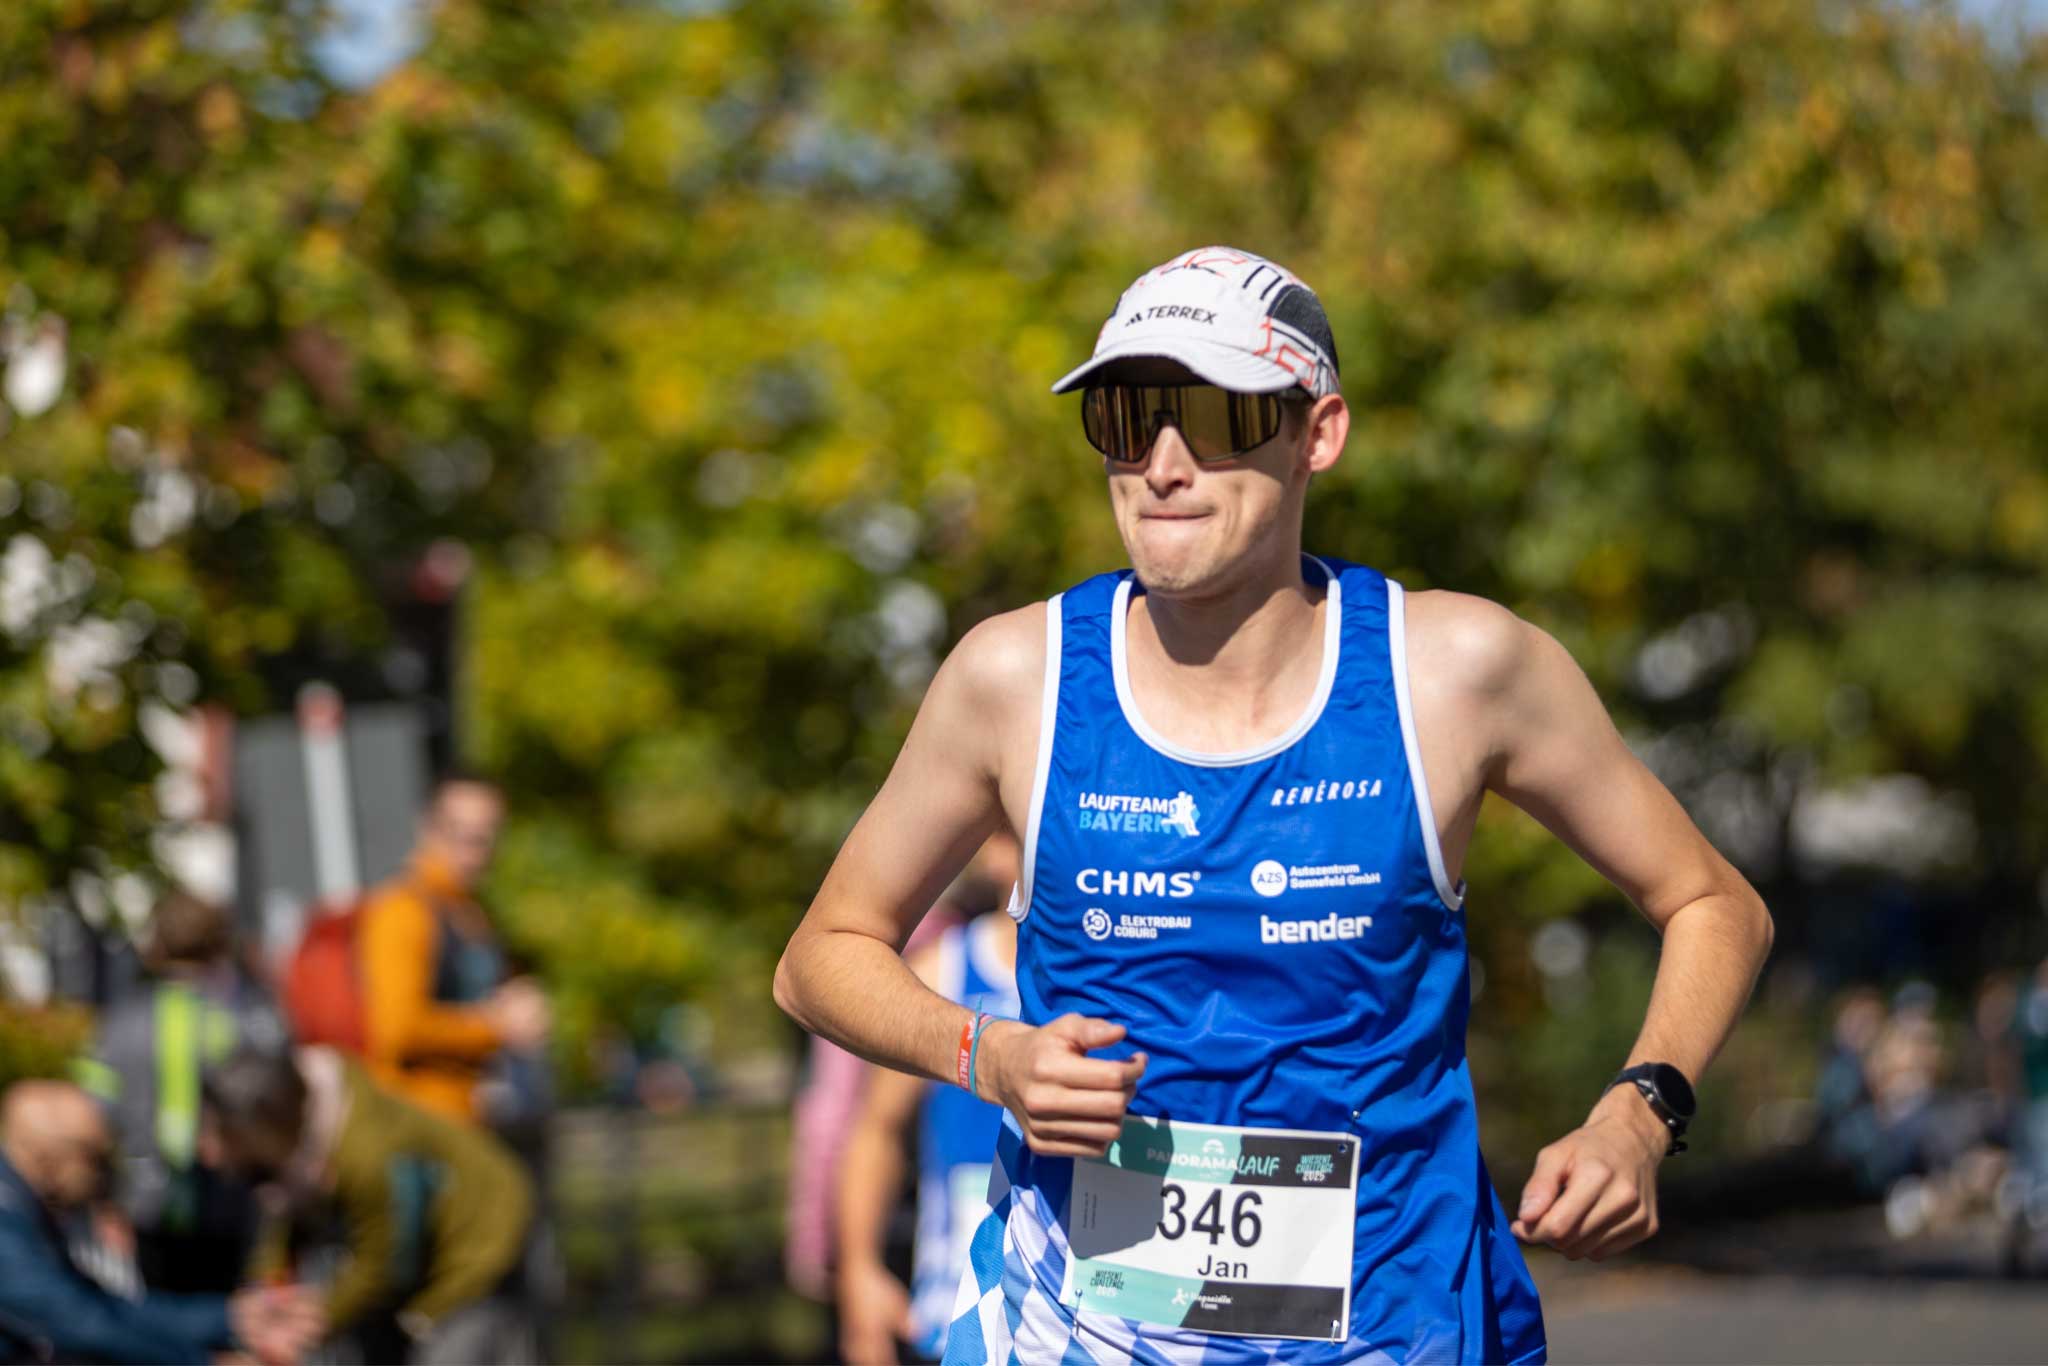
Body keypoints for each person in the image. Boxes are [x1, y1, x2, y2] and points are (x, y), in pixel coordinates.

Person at [775, 247, 1775, 1363]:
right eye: (1125, 415)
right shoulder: (1016, 677)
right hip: (1076, 1332)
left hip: (1393, 1329)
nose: (1160, 463)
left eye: (1211, 415)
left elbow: (1711, 902)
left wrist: (1637, 1113)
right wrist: (985, 1054)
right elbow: (820, 951)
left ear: (1318, 432)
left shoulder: (1452, 668)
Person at [201, 1045, 536, 1365]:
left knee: (450, 1351)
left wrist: (312, 1320)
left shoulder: (365, 1156)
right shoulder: (300, 1121)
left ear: (265, 1128)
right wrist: (268, 1292)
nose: (209, 1152)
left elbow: (384, 1262)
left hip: (480, 1233)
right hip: (415, 1240)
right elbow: (282, 1217)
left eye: (223, 1135)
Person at [837, 844, 1022, 1366]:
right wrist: (859, 1273)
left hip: (1090, 1307)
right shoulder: (943, 970)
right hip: (959, 1303)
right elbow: (877, 1128)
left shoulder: (1116, 981)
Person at [0, 1079, 319, 1365]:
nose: (102, 1178)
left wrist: (229, 1318)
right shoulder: (6, 1222)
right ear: (51, 1159)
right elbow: (81, 1324)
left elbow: (105, 1309)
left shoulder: (22, 1208)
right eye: (95, 1161)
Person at [75, 888, 290, 1294]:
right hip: (235, 1199)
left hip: (146, 1201)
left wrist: (103, 1200)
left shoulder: (120, 1025)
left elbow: (93, 1114)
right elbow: (280, 1105)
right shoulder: (246, 1020)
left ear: (155, 948)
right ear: (219, 946)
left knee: (165, 1321)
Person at [356, 771, 548, 1128]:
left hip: (475, 1122)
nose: (473, 852)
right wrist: (496, 1027)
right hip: (422, 1127)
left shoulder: (473, 912)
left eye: (485, 838)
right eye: (460, 834)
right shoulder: (402, 911)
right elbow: (397, 1029)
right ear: (427, 827)